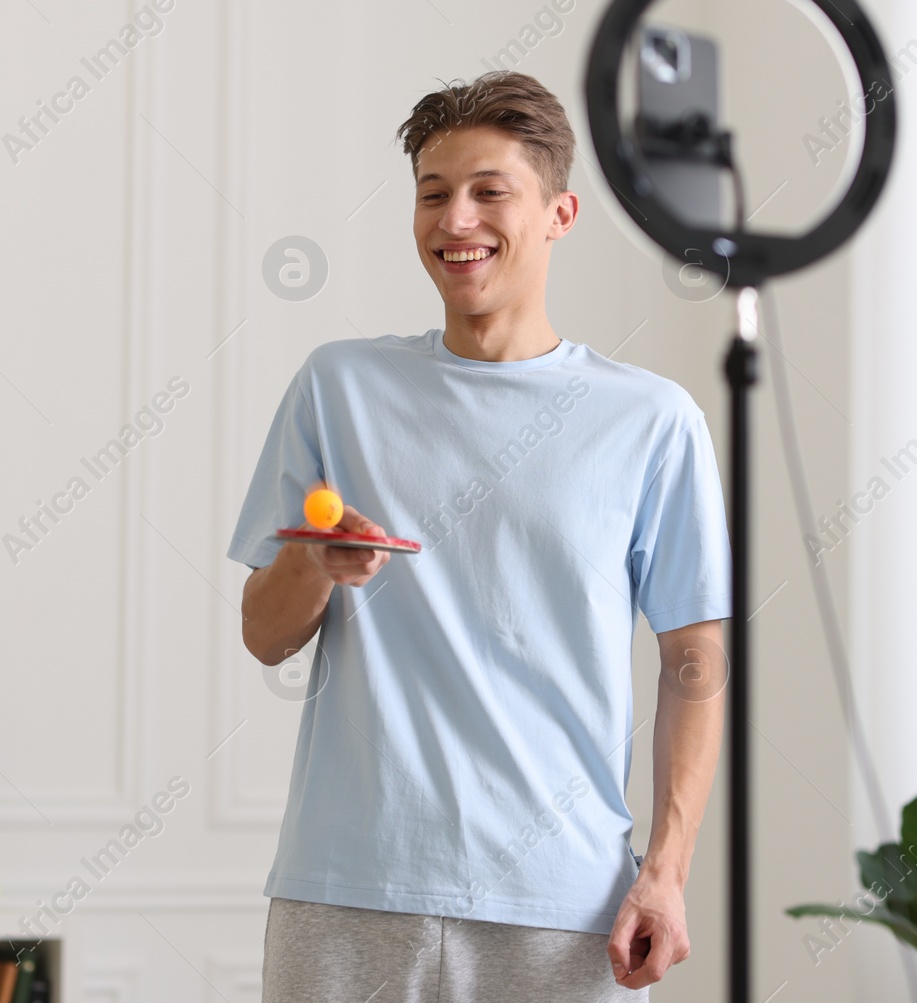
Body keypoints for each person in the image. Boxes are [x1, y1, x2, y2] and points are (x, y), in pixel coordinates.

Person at [230, 69, 731, 1002]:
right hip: (348, 894)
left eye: (489, 191)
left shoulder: (652, 421)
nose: (455, 220)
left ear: (559, 213)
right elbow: (266, 633)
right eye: (433, 193)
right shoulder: (338, 388)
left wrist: (665, 868)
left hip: (565, 906)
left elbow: (693, 658)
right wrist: (313, 557)